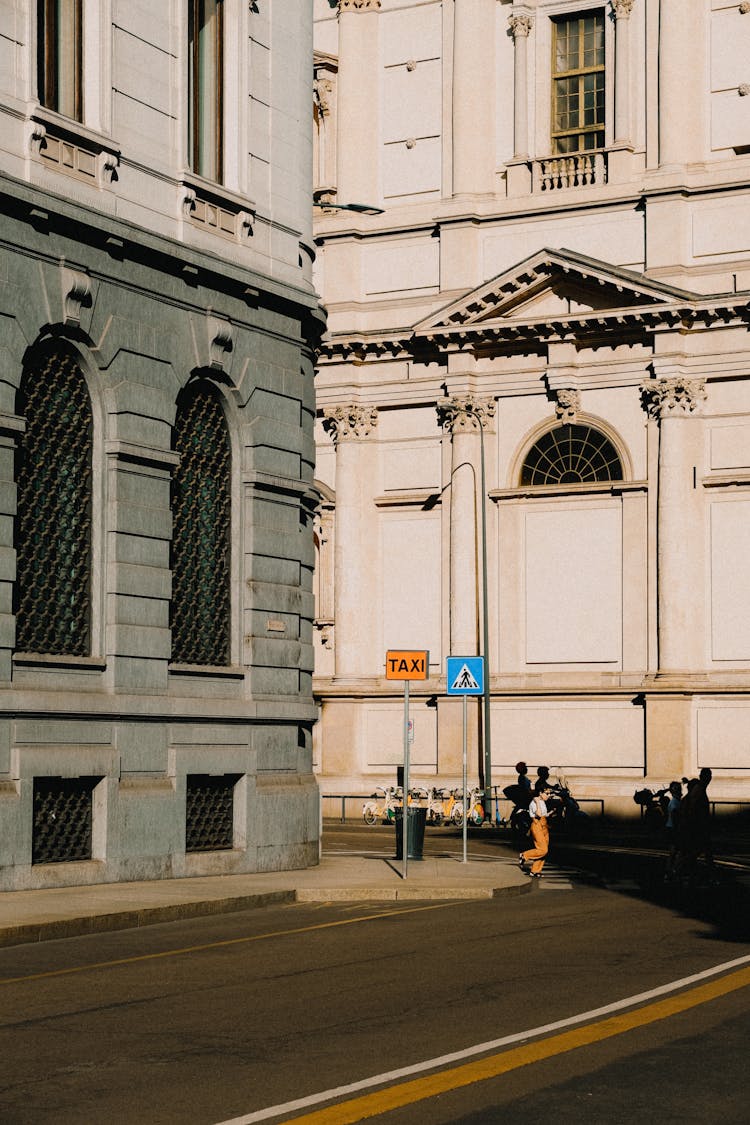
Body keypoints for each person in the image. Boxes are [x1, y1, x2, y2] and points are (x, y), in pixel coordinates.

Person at [679, 767, 716, 883]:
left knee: (703, 852)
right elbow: (693, 808)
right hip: (699, 827)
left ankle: (693, 873)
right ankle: (678, 869)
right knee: (697, 852)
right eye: (707, 776)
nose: (709, 779)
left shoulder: (699, 789)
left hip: (700, 826)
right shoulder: (699, 790)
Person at [519, 782, 552, 878]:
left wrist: (551, 812)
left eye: (549, 793)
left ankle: (535, 871)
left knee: (544, 850)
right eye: (547, 793)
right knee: (543, 849)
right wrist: (537, 803)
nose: (548, 795)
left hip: (544, 825)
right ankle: (524, 855)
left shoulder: (543, 802)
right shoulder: (534, 802)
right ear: (540, 793)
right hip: (537, 825)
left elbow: (544, 814)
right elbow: (538, 814)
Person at [663, 780, 682, 882]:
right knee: (676, 851)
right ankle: (672, 871)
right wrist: (678, 829)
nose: (679, 790)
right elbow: (675, 816)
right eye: (677, 789)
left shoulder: (675, 801)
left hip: (671, 828)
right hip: (673, 829)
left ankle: (670, 871)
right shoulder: (674, 802)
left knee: (673, 852)